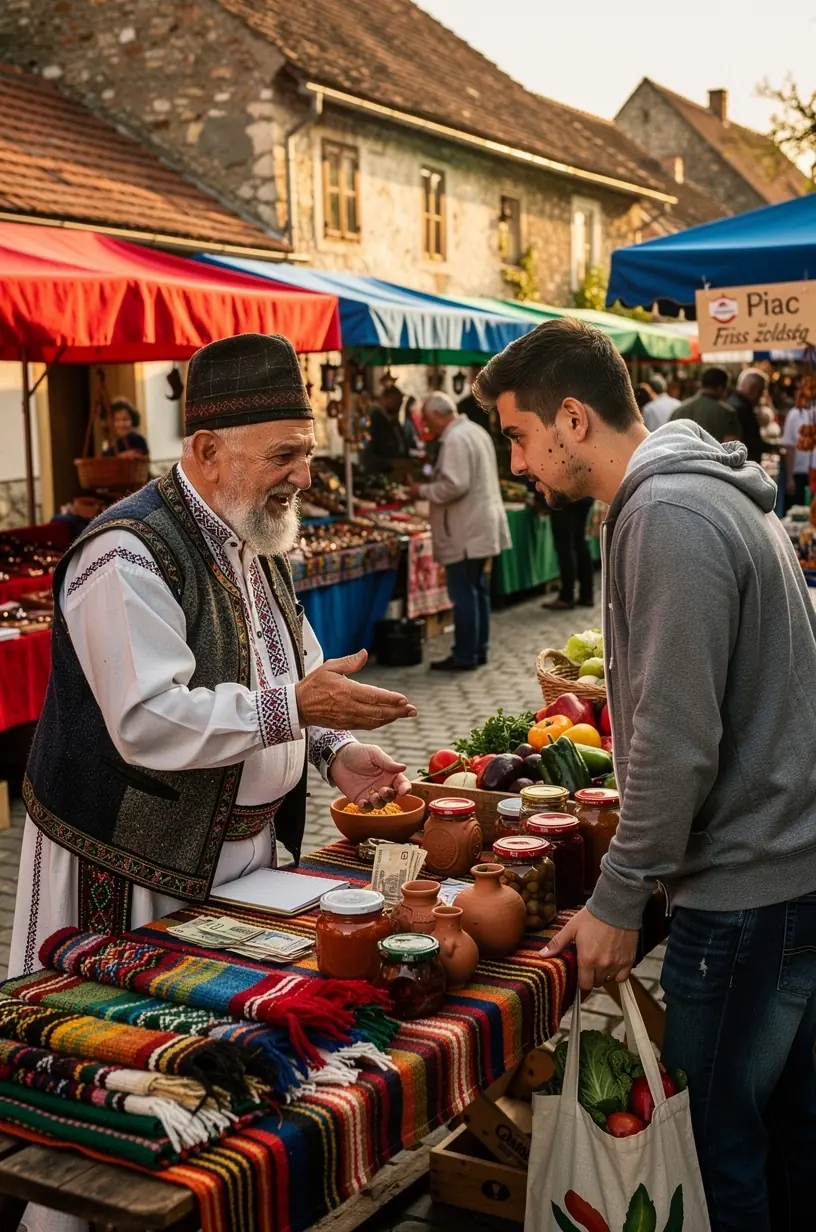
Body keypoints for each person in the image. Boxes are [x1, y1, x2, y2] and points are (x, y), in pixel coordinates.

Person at [474, 318, 816, 1231]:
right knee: (788, 1135)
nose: (516, 463)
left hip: (749, 892)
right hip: (786, 875)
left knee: (718, 1147)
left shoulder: (668, 514)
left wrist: (621, 897)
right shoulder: (703, 496)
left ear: (572, 419)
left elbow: (673, 740)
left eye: (517, 434)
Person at [11, 333, 417, 978]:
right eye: (284, 455)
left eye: (306, 453)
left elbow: (296, 666)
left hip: (240, 856)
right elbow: (148, 718)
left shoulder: (252, 530)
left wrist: (332, 750)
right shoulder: (126, 552)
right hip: (133, 869)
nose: (304, 477)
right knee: (131, 1046)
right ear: (207, 451)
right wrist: (294, 710)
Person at [411, 392, 510, 671]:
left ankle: (466, 653)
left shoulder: (455, 439)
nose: (428, 428)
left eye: (429, 421)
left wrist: (422, 490)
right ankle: (478, 649)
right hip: (478, 526)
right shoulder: (474, 431)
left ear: (440, 415)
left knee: (464, 593)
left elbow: (455, 485)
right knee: (477, 590)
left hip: (465, 530)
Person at [543, 496, 595, 610]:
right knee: (580, 542)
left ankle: (566, 596)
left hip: (564, 497)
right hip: (585, 495)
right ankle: (587, 595)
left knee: (565, 545)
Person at [669, 366, 740, 442]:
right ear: (720, 388)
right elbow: (732, 445)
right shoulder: (727, 413)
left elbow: (669, 442)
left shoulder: (678, 411)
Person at [362, 385, 409, 472]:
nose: (398, 405)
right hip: (381, 474)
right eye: (395, 400)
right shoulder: (374, 421)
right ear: (384, 399)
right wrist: (390, 462)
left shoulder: (395, 422)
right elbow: (367, 456)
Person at [727, 368, 769, 464]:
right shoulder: (742, 409)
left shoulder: (733, 402)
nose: (762, 396)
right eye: (761, 391)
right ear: (752, 389)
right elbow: (751, 442)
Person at [780, 396, 814, 510]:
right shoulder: (794, 414)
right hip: (799, 473)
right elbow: (789, 447)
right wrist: (790, 478)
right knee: (797, 511)